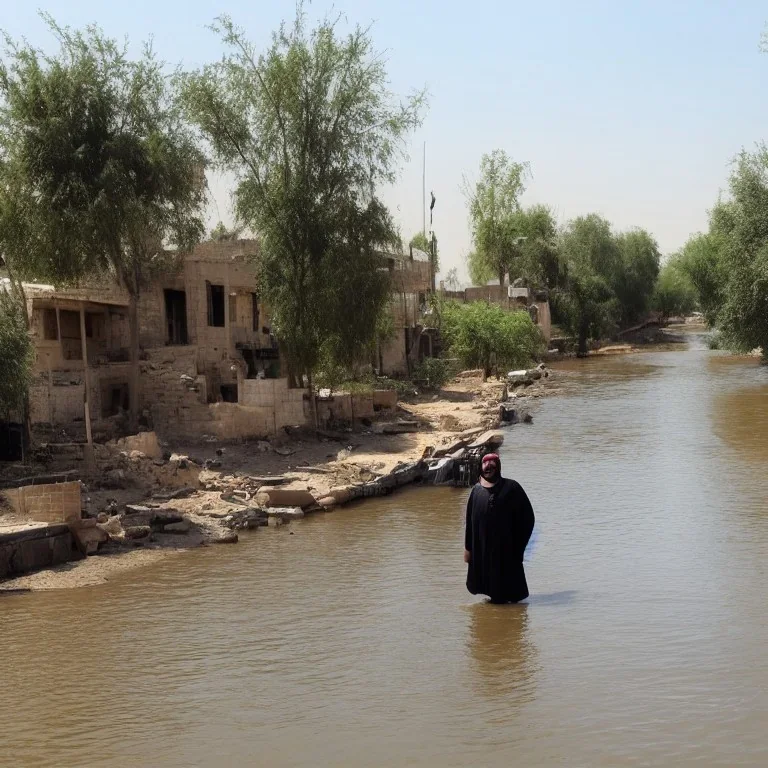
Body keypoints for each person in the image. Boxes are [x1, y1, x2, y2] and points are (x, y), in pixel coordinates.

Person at [464, 453, 535, 604]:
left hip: (506, 550)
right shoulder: (476, 491)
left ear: (499, 468)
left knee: (508, 592)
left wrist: (519, 547)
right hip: (482, 550)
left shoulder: (512, 488)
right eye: (486, 467)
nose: (488, 469)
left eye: (492, 466)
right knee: (489, 589)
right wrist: (468, 549)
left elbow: (528, 519)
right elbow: (469, 523)